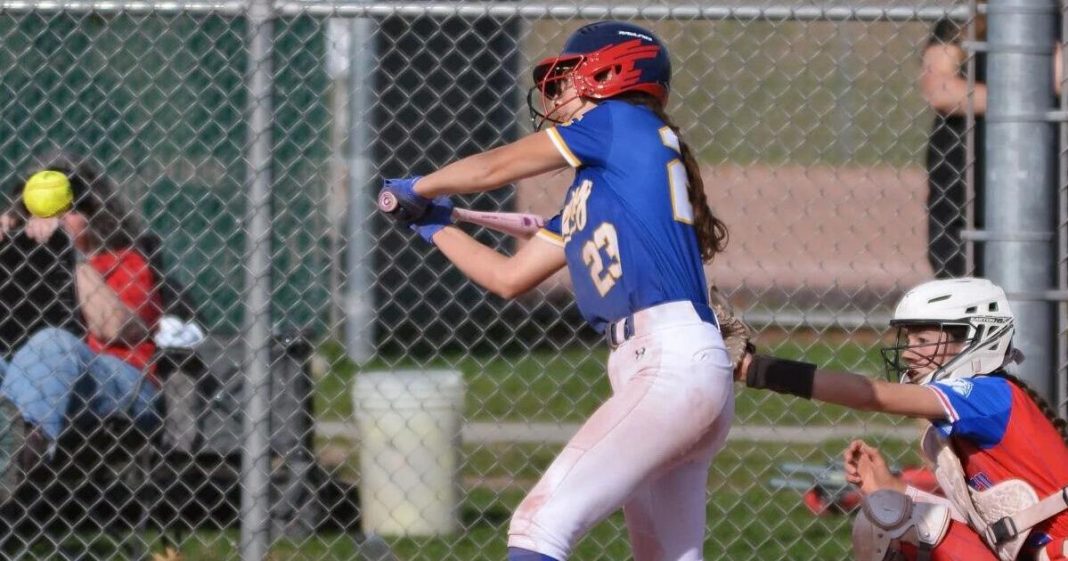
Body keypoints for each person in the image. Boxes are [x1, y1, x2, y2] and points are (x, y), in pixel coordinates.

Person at [379, 21, 734, 561]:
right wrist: (431, 224)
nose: (555, 91)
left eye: (567, 77)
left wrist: (416, 186)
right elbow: (508, 278)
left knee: (539, 524)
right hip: (672, 369)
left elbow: (493, 167)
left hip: (670, 363)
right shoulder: (597, 185)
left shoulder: (617, 119)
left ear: (610, 73)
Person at [740, 277, 1068, 561]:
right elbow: (982, 523)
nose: (909, 352)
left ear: (976, 338)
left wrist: (757, 370)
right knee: (887, 505)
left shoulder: (989, 394)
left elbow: (871, 395)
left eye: (923, 341)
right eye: (909, 340)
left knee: (891, 519)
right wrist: (892, 486)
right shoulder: (962, 420)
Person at [0, 153, 163, 465]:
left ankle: (15, 458)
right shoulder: (13, 268)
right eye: (37, 212)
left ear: (95, 215)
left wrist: (67, 254)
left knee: (52, 343)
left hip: (117, 384)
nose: (54, 219)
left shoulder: (122, 261)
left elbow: (115, 327)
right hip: (23, 383)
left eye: (69, 211)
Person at [921, 12, 986, 278]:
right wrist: (1021, 98)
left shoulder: (1054, 20)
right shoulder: (965, 17)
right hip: (963, 182)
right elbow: (939, 89)